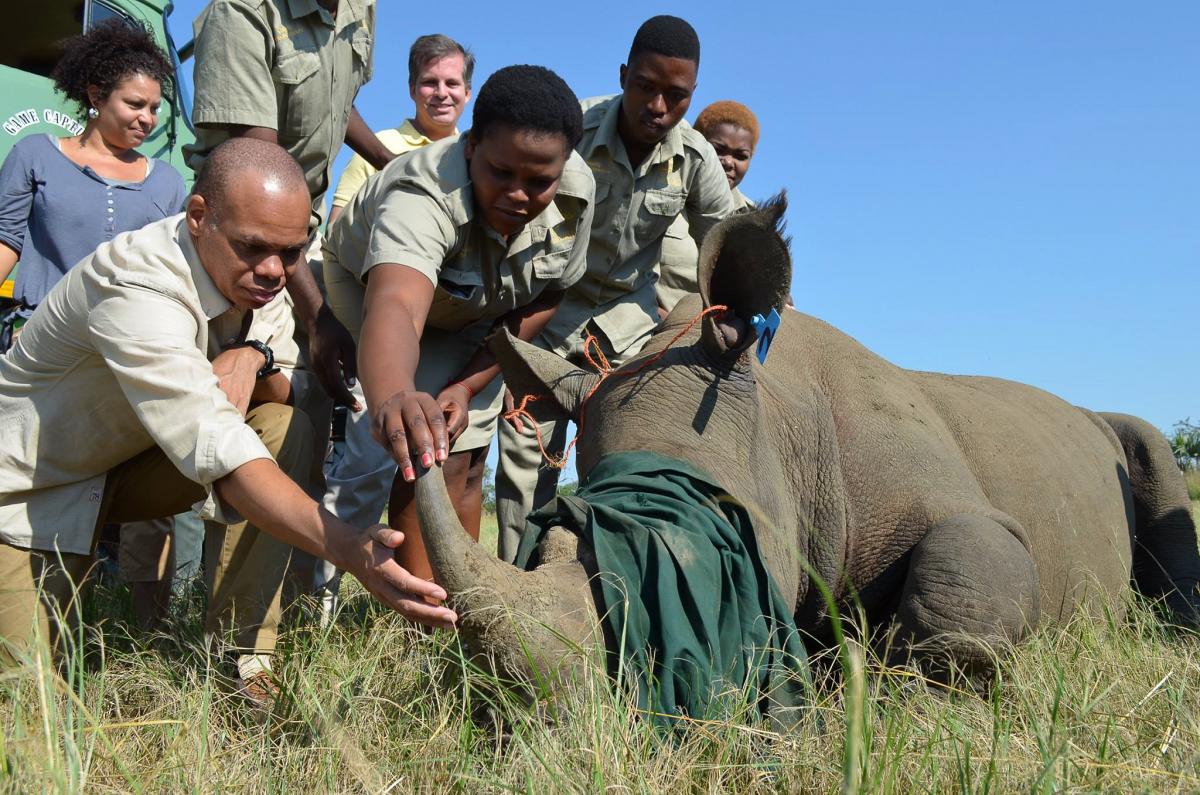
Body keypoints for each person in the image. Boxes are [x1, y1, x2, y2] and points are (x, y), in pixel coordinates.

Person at [0, 139, 455, 708]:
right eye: (254, 247)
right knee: (35, 716)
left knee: (286, 427)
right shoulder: (138, 284)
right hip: (36, 490)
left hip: (135, 466)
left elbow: (282, 392)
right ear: (197, 218)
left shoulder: (264, 270)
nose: (272, 270)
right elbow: (219, 449)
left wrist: (253, 355)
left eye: (290, 252)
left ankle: (243, 655)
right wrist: (348, 549)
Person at [323, 65, 593, 581]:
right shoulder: (421, 195)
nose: (518, 194)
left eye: (539, 182)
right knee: (420, 441)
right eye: (501, 172)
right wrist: (396, 396)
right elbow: (397, 306)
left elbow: (551, 292)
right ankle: (415, 615)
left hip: (483, 301)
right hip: (372, 287)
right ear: (470, 145)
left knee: (465, 455)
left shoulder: (577, 190)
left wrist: (468, 385)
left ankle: (466, 607)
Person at [493, 15, 733, 562]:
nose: (656, 107)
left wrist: (753, 299)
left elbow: (723, 239)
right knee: (526, 466)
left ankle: (604, 595)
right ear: (624, 74)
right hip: (546, 321)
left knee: (624, 466)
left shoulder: (695, 159)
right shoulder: (570, 131)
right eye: (645, 87)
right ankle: (514, 596)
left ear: (692, 96)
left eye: (675, 96)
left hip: (628, 334)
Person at [0, 20, 195, 628]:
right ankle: (32, 622)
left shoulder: (166, 183)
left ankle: (146, 627)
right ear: (94, 94)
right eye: (134, 104)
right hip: (40, 350)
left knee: (146, 506)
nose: (147, 119)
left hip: (124, 359)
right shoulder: (35, 155)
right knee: (34, 486)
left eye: (155, 109)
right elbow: (5, 240)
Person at [313, 33, 473, 613]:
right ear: (411, 88)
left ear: (468, 91)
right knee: (361, 469)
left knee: (437, 477)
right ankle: (322, 604)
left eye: (452, 82)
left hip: (446, 334)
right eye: (430, 82)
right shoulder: (379, 147)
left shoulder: (478, 157)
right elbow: (339, 234)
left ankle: (425, 608)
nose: (441, 93)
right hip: (379, 327)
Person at [184, 0, 395, 413]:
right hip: (242, 246)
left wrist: (391, 163)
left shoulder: (359, 9)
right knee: (224, 410)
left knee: (303, 413)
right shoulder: (242, 13)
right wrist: (316, 315)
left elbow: (338, 97)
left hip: (301, 241)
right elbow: (260, 174)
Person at [656, 99, 760, 313]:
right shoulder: (659, 195)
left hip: (719, 334)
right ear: (697, 145)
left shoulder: (753, 220)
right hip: (653, 329)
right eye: (718, 150)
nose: (728, 162)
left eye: (741, 156)